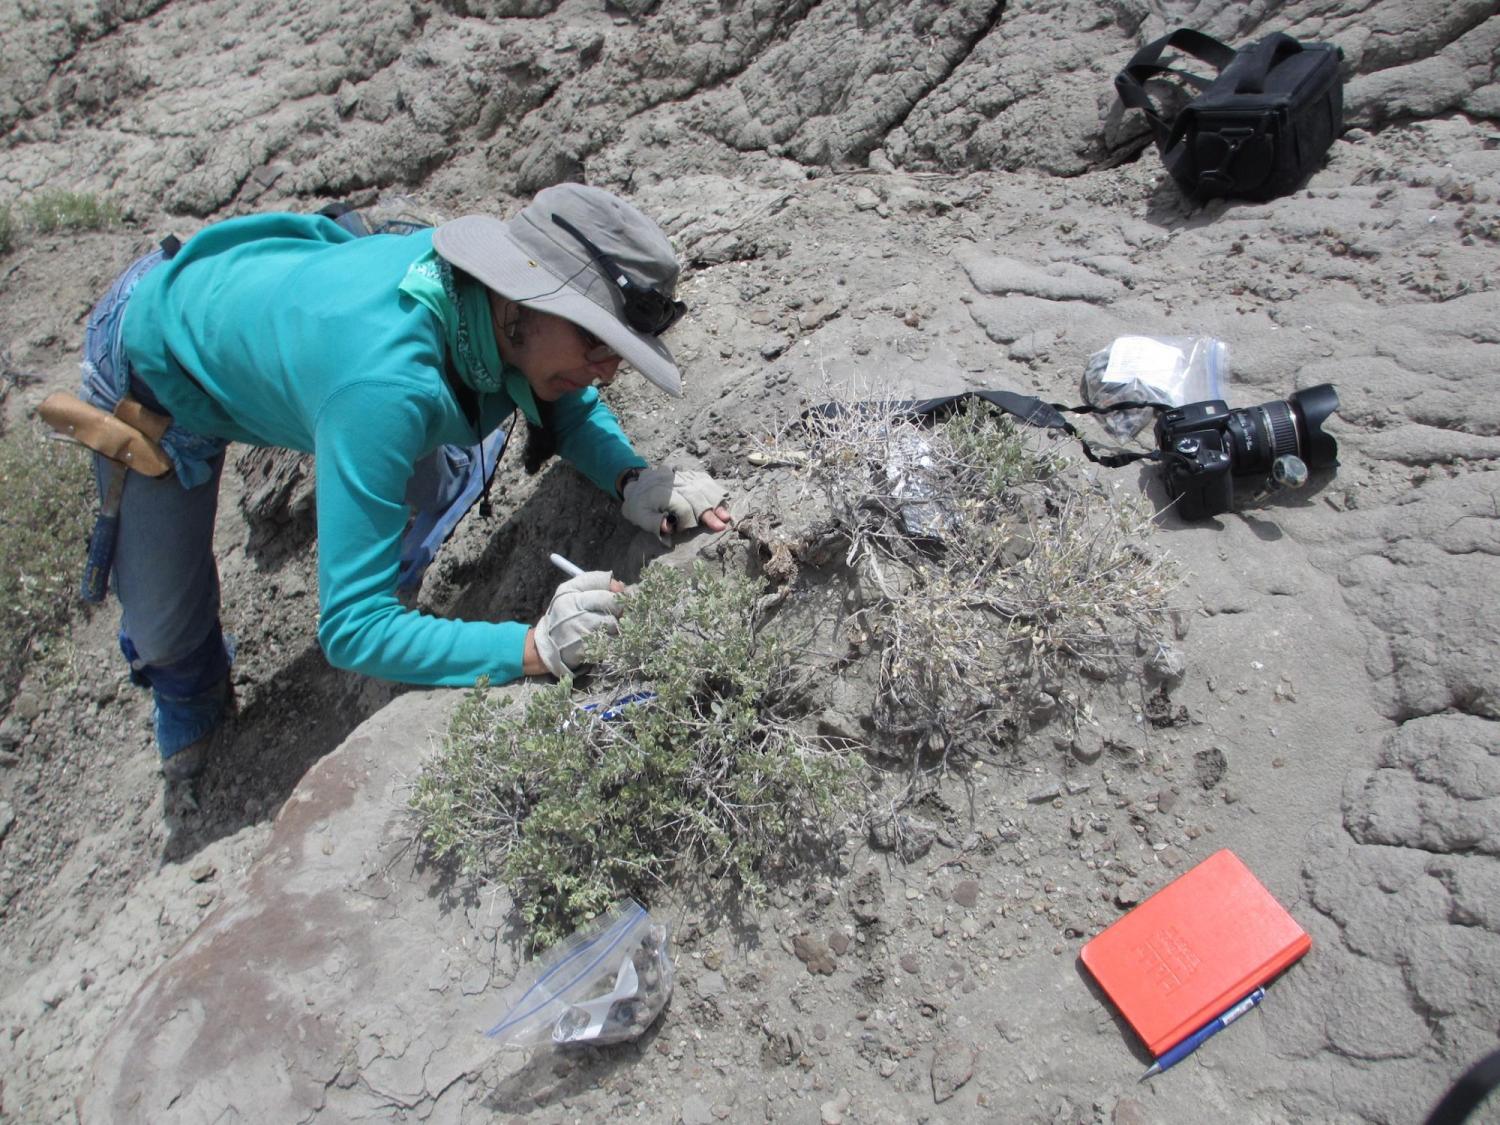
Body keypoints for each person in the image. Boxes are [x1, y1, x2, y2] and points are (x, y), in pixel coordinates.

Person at [77, 183, 731, 782]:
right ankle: (193, 701)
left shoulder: (500, 312)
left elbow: (565, 397)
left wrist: (630, 474)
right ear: (519, 300)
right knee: (166, 633)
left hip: (290, 297)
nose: (607, 372)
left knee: (439, 442)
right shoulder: (385, 387)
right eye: (596, 344)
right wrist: (533, 646)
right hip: (157, 368)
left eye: (616, 351)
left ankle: (382, 542)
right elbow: (352, 628)